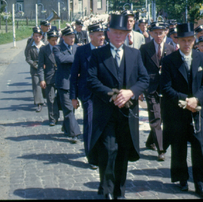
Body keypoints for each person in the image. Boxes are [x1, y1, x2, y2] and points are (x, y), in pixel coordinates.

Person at [87, 14, 149, 199]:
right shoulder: (97, 55)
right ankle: (106, 191)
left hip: (127, 114)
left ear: (127, 34)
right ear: (108, 33)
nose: (119, 36)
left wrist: (131, 92)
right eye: (115, 32)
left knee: (122, 152)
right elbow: (91, 80)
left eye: (123, 33)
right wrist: (113, 95)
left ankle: (119, 192)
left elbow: (144, 79)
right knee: (108, 151)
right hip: (106, 114)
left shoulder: (134, 54)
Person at [161, 22, 203, 197]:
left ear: (194, 40)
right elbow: (166, 88)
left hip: (198, 110)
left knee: (199, 146)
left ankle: (200, 183)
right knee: (179, 146)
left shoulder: (202, 58)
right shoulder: (169, 60)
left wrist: (196, 99)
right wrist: (186, 100)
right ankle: (181, 177)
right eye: (183, 40)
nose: (187, 44)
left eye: (190, 40)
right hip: (177, 111)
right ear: (177, 41)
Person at [70, 23, 105, 169]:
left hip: (104, 94)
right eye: (99, 35)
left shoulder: (107, 50)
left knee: (104, 124)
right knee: (90, 124)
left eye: (103, 34)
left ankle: (103, 152)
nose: (102, 37)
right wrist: (73, 97)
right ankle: (92, 157)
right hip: (87, 94)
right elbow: (74, 74)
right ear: (91, 36)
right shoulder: (81, 51)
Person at [139, 21, 175, 161]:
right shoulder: (145, 48)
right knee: (155, 116)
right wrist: (140, 89)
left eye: (161, 32)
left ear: (166, 32)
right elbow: (140, 69)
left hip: (166, 88)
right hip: (150, 87)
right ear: (151, 33)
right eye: (155, 32)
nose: (158, 35)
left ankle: (150, 141)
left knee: (164, 117)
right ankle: (161, 149)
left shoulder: (171, 49)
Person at [53, 25, 82, 143]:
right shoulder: (57, 48)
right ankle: (74, 133)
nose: (72, 39)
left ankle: (66, 127)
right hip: (63, 83)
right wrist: (76, 57)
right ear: (63, 37)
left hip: (74, 83)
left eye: (73, 37)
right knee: (68, 108)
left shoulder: (76, 47)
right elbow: (61, 60)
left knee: (72, 108)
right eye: (70, 37)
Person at [38, 30, 60, 126]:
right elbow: (40, 66)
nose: (55, 42)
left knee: (62, 98)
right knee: (50, 99)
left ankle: (64, 117)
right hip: (49, 77)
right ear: (48, 40)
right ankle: (52, 118)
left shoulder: (61, 48)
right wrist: (42, 79)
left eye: (56, 40)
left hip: (61, 77)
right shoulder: (43, 50)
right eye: (52, 40)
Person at [25, 26, 45, 112]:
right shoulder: (30, 46)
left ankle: (46, 100)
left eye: (39, 36)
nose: (37, 38)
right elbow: (28, 58)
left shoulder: (44, 45)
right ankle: (39, 103)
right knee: (37, 86)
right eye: (36, 36)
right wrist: (35, 65)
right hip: (35, 69)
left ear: (42, 37)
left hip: (45, 68)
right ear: (33, 36)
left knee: (45, 85)